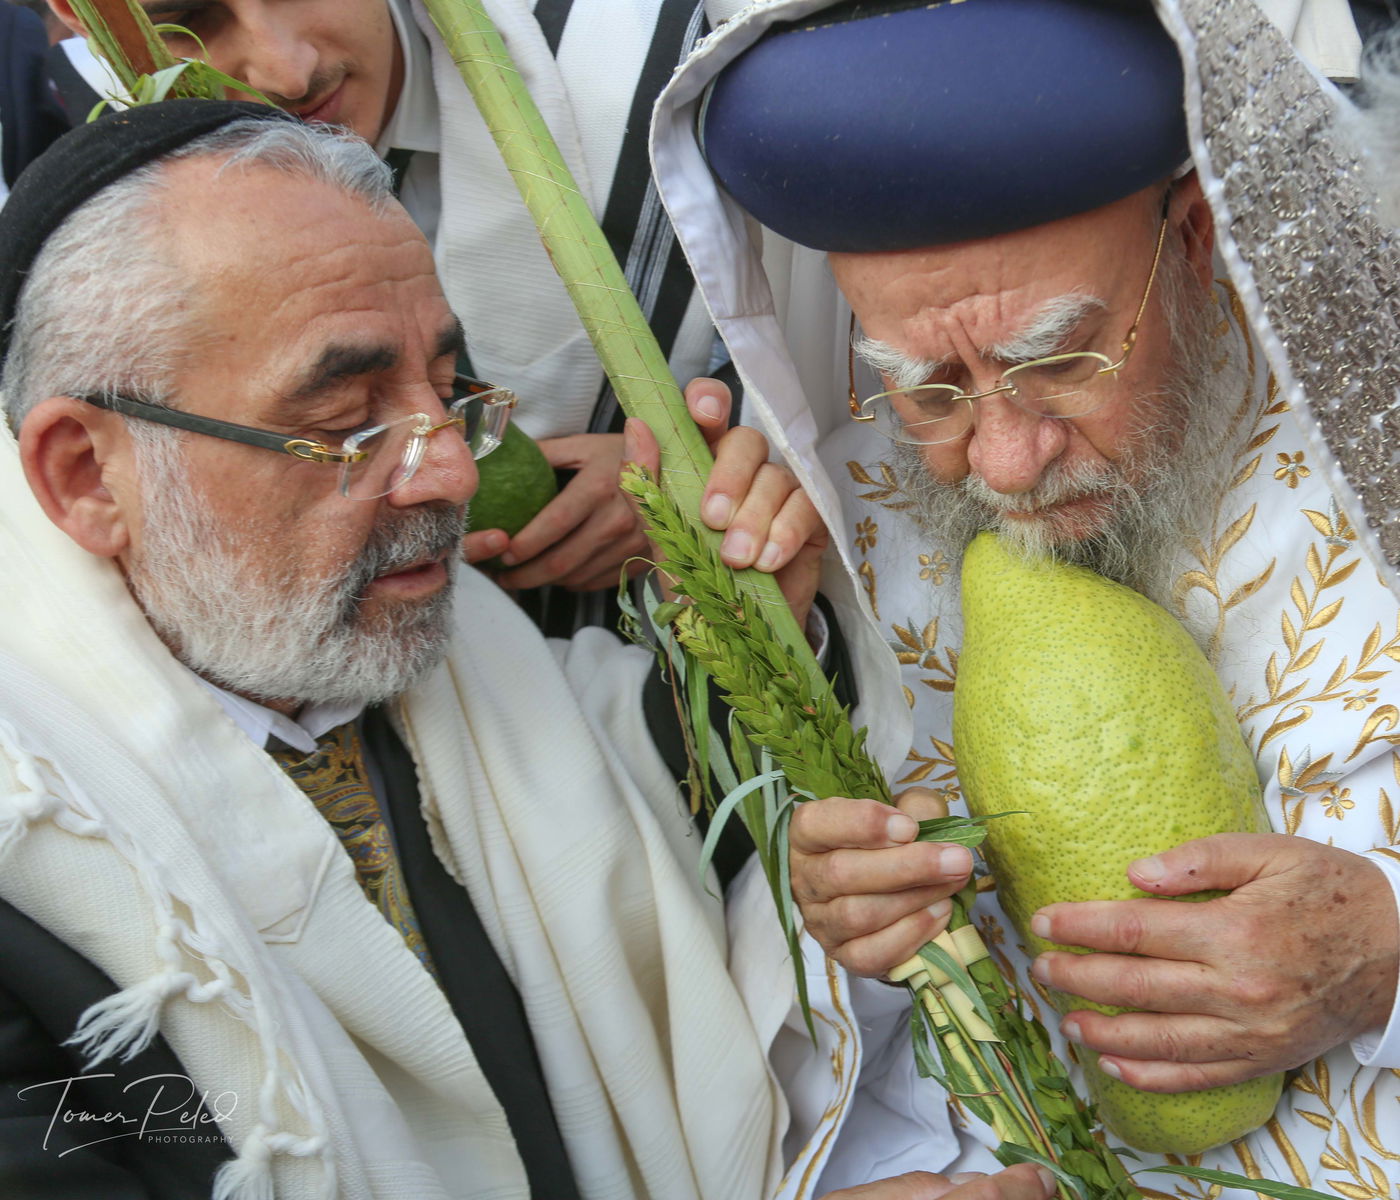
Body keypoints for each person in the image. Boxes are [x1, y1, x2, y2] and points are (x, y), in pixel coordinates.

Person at [0, 99, 1058, 1200]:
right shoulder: (33, 846)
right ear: (86, 475)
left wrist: (749, 602)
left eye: (450, 394)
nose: (452, 474)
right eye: (353, 421)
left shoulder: (470, 670)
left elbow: (687, 827)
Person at [648, 0, 1400, 1195]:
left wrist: (1382, 958)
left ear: (1198, 237)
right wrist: (845, 924)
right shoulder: (846, 507)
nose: (1000, 464)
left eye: (1060, 361)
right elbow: (855, 1064)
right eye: (931, 389)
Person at [46, 0, 735, 629]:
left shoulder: (685, 60)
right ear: (77, 17)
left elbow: (827, 366)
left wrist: (695, 465)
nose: (290, 72)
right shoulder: (114, 202)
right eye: (188, 19)